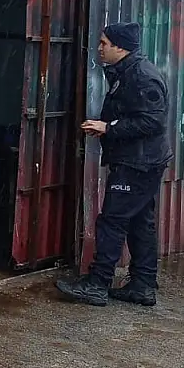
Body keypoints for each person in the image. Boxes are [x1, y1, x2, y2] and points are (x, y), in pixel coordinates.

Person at [56, 22, 171, 307]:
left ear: (121, 47)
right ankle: (142, 285)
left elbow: (152, 121)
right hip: (140, 160)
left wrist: (110, 128)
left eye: (104, 43)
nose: (99, 48)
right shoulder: (128, 71)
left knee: (112, 221)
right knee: (140, 222)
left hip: (137, 163)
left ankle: (97, 284)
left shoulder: (142, 77)